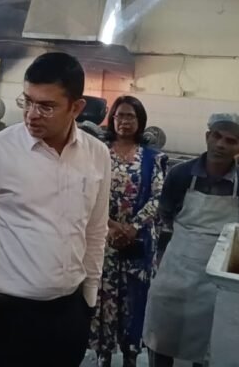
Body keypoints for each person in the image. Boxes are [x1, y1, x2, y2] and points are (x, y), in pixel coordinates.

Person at [0, 52, 112, 367]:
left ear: (76, 108)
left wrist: (88, 300)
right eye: (27, 101)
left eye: (46, 106)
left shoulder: (97, 155)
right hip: (8, 318)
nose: (32, 115)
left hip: (69, 313)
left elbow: (95, 230)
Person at [142, 113, 239, 367]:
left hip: (216, 277)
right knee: (162, 333)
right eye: (217, 136)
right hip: (176, 268)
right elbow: (166, 214)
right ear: (207, 136)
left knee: (207, 344)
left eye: (230, 141)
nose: (221, 145)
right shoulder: (181, 174)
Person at [89, 96, 168, 367]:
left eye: (130, 116)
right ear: (112, 119)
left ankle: (131, 354)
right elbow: (88, 193)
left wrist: (133, 227)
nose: (124, 121)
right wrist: (111, 226)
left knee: (135, 297)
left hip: (139, 241)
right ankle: (104, 354)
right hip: (104, 239)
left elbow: (159, 197)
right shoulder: (98, 153)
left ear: (140, 121)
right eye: (119, 115)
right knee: (104, 295)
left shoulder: (153, 158)